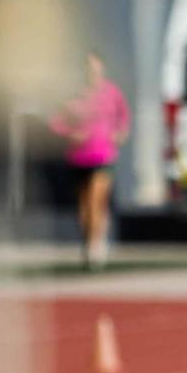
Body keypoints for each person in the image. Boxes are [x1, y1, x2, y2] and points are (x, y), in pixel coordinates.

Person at [50, 51, 130, 269]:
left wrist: (120, 133)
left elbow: (123, 117)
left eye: (95, 68)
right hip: (79, 156)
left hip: (104, 154)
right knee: (84, 205)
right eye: (88, 68)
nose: (92, 72)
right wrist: (70, 134)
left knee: (96, 200)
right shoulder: (73, 95)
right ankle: (89, 241)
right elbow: (56, 122)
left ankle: (96, 245)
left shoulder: (111, 93)